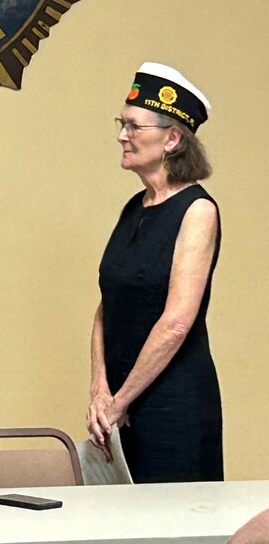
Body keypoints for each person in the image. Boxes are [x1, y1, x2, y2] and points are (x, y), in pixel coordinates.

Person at [86, 62, 222, 483]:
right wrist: (99, 391)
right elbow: (107, 306)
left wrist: (120, 400)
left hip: (173, 408)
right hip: (120, 408)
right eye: (121, 124)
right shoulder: (133, 208)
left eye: (133, 126)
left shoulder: (198, 211)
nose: (121, 136)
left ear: (173, 138)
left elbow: (177, 323)